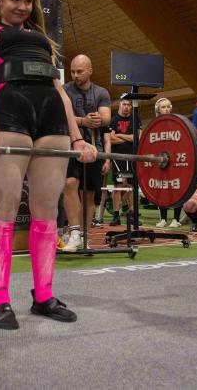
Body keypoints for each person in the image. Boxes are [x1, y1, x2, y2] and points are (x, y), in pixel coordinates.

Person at [0, 0, 97, 330]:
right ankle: (1, 301)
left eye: (28, 1)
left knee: (46, 213)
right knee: (5, 210)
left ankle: (44, 296)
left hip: (51, 119)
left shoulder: (42, 40)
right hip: (10, 114)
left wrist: (78, 138)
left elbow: (60, 92)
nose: (22, 7)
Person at [62, 54, 111, 251]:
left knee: (89, 194)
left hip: (93, 148)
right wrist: (83, 121)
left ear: (90, 71)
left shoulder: (101, 92)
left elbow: (106, 117)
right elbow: (61, 115)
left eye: (80, 71)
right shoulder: (65, 89)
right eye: (72, 71)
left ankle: (83, 236)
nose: (75, 75)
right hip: (70, 147)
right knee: (69, 183)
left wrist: (98, 119)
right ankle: (74, 233)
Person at [153, 97, 184, 228]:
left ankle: (176, 219)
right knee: (161, 189)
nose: (166, 109)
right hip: (161, 162)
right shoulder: (155, 126)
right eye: (163, 107)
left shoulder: (176, 123)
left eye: (168, 107)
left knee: (176, 189)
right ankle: (163, 219)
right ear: (158, 110)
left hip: (175, 161)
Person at [107, 98, 134, 226]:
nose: (126, 106)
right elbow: (111, 139)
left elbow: (137, 137)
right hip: (118, 158)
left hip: (132, 157)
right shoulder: (114, 120)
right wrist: (128, 138)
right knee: (118, 186)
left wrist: (120, 135)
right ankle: (116, 215)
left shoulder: (135, 119)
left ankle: (132, 214)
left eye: (129, 104)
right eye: (124, 104)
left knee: (131, 186)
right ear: (120, 105)